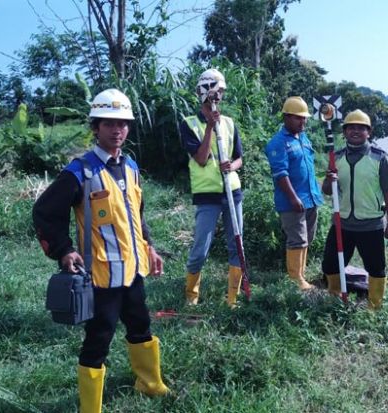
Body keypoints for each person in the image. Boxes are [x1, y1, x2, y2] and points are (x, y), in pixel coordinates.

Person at [33, 88, 169, 412]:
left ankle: (150, 383)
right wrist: (64, 250)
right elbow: (44, 212)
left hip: (133, 272)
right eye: (109, 123)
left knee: (141, 327)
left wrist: (149, 247)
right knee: (98, 340)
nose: (117, 130)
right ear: (96, 127)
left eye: (122, 124)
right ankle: (90, 408)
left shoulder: (132, 167)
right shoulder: (81, 170)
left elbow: (138, 214)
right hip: (102, 278)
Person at [181, 68, 245, 308]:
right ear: (203, 93)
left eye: (221, 93)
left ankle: (232, 298)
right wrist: (209, 127)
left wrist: (232, 166)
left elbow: (239, 157)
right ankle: (191, 296)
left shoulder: (229, 123)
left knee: (237, 244)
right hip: (207, 195)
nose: (218, 97)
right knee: (201, 247)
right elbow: (200, 157)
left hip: (232, 192)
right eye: (215, 92)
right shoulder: (189, 124)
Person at [320, 109, 388, 309]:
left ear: (368, 132)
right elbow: (327, 191)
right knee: (330, 264)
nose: (355, 131)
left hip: (370, 225)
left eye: (360, 128)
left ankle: (375, 306)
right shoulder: (335, 157)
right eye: (350, 128)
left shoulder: (379, 158)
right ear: (344, 132)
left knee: (376, 268)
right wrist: (329, 179)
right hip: (342, 224)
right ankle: (334, 296)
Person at [264, 96, 324, 290]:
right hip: (292, 201)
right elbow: (280, 173)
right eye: (298, 118)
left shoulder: (304, 138)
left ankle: (301, 274)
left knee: (308, 237)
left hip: (310, 198)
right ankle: (295, 279)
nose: (303, 121)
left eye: (304, 118)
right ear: (287, 117)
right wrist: (293, 197)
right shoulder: (277, 143)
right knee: (297, 239)